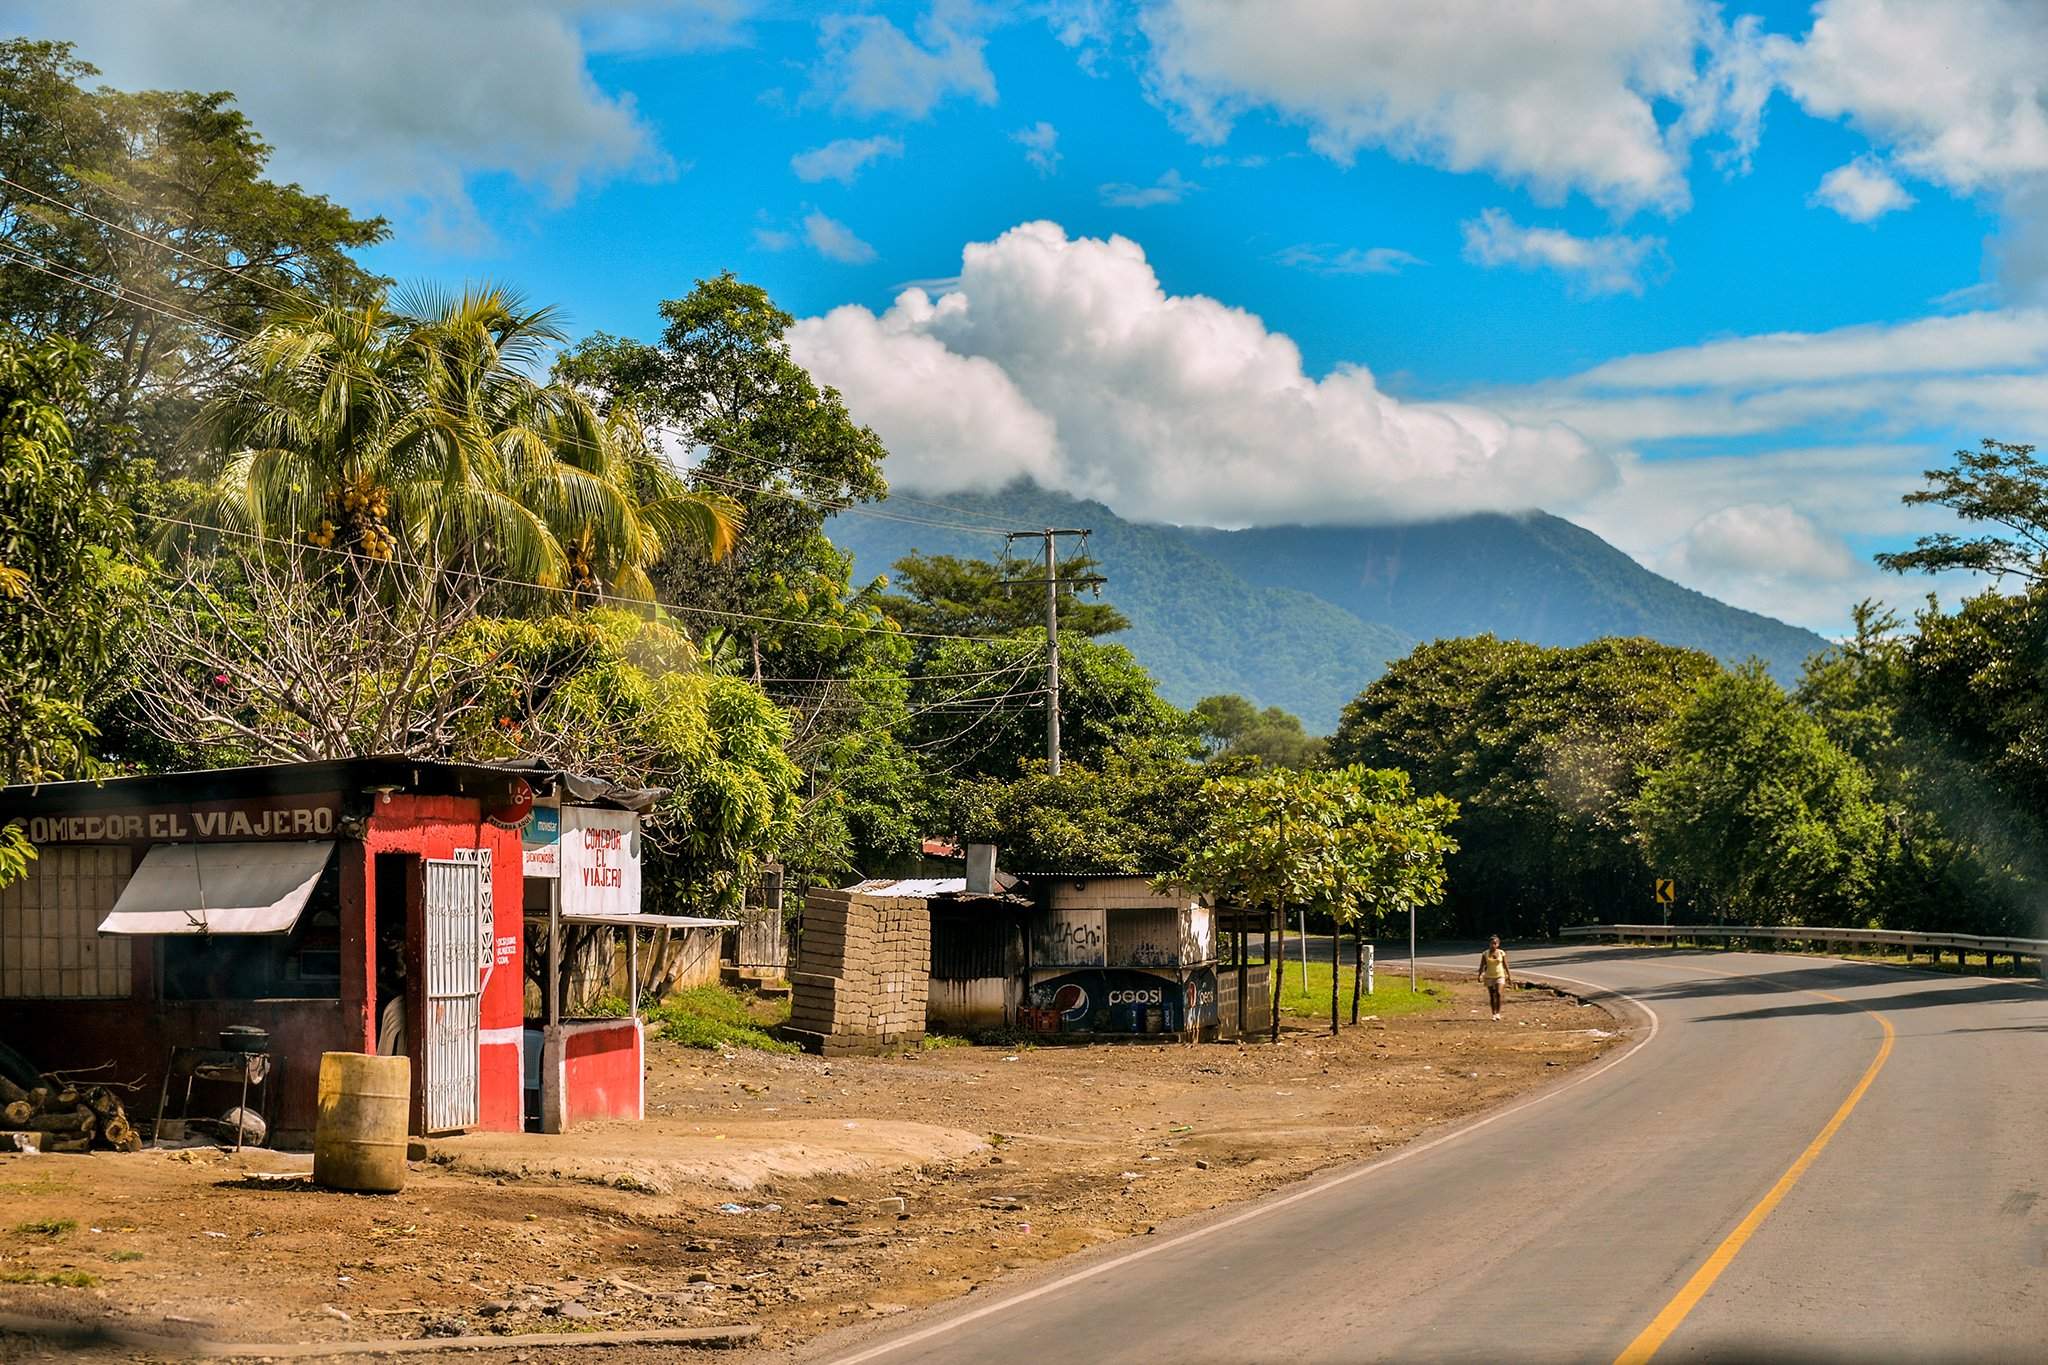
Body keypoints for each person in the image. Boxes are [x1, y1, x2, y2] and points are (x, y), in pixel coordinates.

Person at [1477, 935, 1512, 1021]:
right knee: (1492, 995)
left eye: (1495, 943)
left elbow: (1505, 964)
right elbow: (1482, 965)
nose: (1493, 945)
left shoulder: (1501, 953)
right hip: (1489, 976)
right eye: (1492, 943)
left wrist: (1509, 975)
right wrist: (1479, 975)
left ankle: (1498, 1013)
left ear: (1498, 944)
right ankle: (1494, 1013)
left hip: (1500, 975)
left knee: (1498, 993)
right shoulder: (1485, 953)